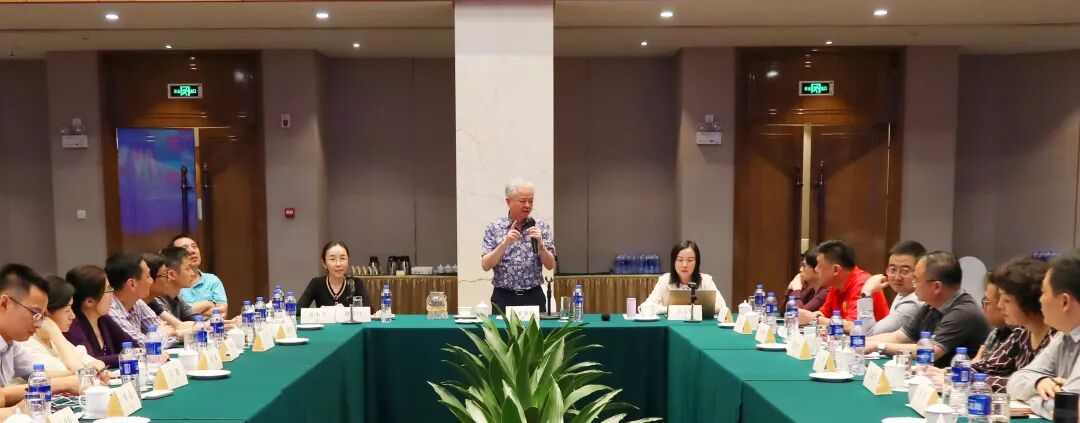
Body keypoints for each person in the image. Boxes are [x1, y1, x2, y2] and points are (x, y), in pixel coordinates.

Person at [867, 251, 990, 367]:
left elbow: (929, 352)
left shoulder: (963, 313)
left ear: (936, 287)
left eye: (916, 280)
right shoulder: (931, 305)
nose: (914, 286)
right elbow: (899, 337)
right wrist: (861, 341)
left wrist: (878, 346)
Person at [1008, 249, 1080, 419]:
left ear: (1064, 301)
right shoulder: (1065, 335)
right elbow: (1015, 381)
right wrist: (1039, 382)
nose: (1039, 300)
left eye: (1043, 292)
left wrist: (1034, 398)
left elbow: (1072, 411)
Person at [965, 257, 1055, 393]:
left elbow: (1039, 387)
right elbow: (984, 367)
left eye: (1006, 300)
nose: (1000, 305)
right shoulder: (1022, 332)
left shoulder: (1056, 338)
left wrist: (978, 380)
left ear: (1028, 301)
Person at [0, 264, 79, 417]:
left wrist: (78, 377)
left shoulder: (11, 343)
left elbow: (38, 376)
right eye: (35, 313)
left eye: (42, 316)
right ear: (4, 303)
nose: (39, 324)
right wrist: (67, 383)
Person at [481, 179, 556, 312]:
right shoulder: (494, 227)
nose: (527, 205)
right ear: (508, 201)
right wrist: (504, 244)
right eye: (522, 201)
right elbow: (485, 265)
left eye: (531, 201)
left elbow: (550, 265)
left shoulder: (541, 226)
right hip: (504, 297)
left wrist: (541, 245)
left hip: (534, 296)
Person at [18, 276, 108, 378]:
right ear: (45, 313)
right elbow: (79, 372)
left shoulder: (53, 340)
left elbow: (92, 362)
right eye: (67, 310)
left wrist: (96, 367)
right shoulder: (26, 344)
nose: (73, 316)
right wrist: (55, 332)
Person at [798, 240, 890, 332]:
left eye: (819, 265)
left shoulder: (862, 284)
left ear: (835, 269)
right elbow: (824, 313)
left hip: (873, 338)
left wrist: (814, 319)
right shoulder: (836, 284)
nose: (816, 269)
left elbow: (854, 326)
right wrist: (813, 317)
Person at [64, 265, 136, 368]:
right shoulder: (72, 326)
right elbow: (90, 361)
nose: (112, 294)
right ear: (89, 301)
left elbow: (131, 345)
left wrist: (128, 355)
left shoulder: (104, 319)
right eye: (108, 290)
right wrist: (125, 356)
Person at [105, 252, 176, 347]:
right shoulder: (111, 310)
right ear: (132, 284)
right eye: (148, 276)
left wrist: (159, 335)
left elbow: (172, 336)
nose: (151, 281)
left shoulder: (137, 302)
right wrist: (162, 333)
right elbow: (141, 346)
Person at [640, 240, 728, 314]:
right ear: (673, 262)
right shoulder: (664, 280)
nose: (684, 265)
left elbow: (722, 306)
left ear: (697, 262)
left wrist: (692, 310)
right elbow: (646, 306)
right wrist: (670, 310)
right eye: (680, 260)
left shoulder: (706, 280)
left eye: (690, 260)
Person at [863, 240, 927, 336]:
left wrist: (866, 293)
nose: (897, 277)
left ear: (920, 271)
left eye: (905, 271)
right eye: (893, 269)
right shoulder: (904, 292)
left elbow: (866, 334)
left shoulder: (912, 303)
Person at [299, 241, 370, 308]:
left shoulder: (356, 283)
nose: (338, 264)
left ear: (348, 261)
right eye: (332, 259)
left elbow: (369, 309)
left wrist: (345, 310)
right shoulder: (316, 283)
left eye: (342, 258)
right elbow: (298, 310)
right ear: (324, 263)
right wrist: (321, 311)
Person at [171, 234, 228, 316]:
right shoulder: (172, 281)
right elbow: (174, 313)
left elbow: (222, 313)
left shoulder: (212, 280)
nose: (192, 251)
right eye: (184, 248)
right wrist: (207, 304)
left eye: (194, 246)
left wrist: (187, 312)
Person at [145, 250, 200, 324]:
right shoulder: (153, 300)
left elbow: (196, 319)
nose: (192, 273)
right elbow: (176, 326)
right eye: (188, 269)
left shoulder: (175, 298)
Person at [974, 272, 1013, 363]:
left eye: (987, 301)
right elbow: (981, 365)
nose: (1000, 305)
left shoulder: (1019, 336)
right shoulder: (996, 331)